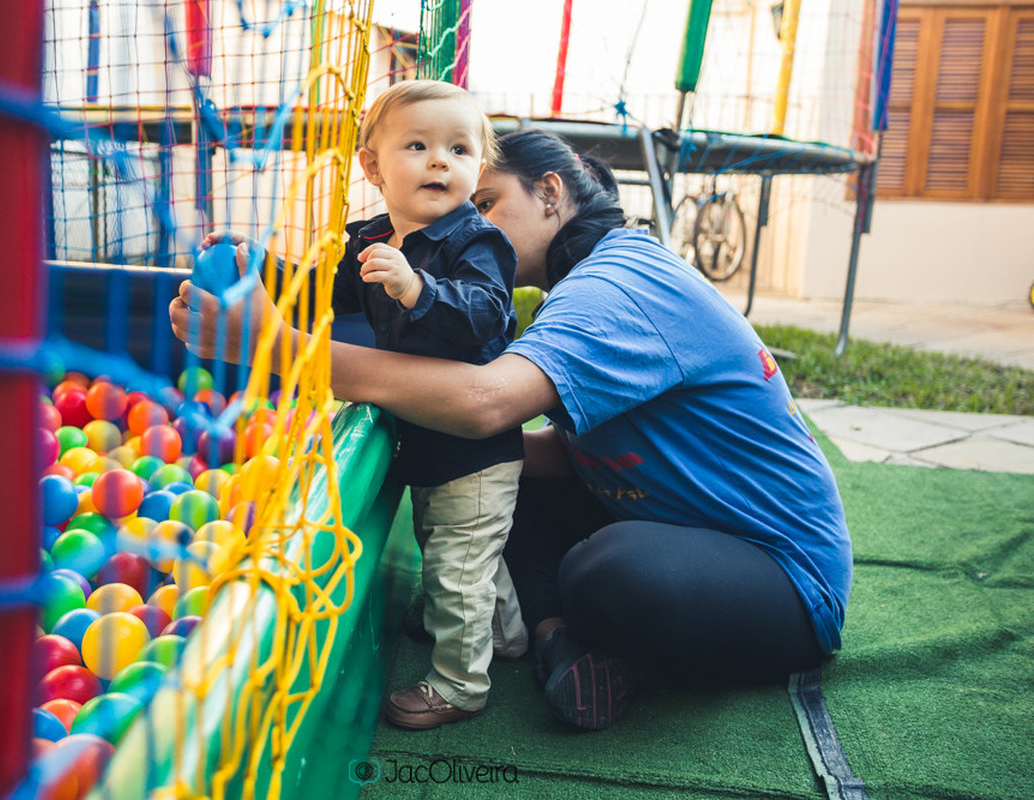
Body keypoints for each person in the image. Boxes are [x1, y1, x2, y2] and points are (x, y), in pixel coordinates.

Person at [170, 129, 853, 732]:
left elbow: (486, 404)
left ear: (550, 193)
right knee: (490, 471)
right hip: (681, 524)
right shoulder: (588, 283)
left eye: (488, 201)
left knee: (607, 570)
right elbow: (564, 452)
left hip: (783, 581)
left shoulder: (617, 286)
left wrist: (276, 347)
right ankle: (559, 642)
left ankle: (578, 631)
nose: (465, 219)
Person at [198, 80, 529, 731]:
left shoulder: (476, 243)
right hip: (428, 436)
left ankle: (461, 683)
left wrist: (418, 289)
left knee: (459, 562)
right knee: (460, 552)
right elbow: (326, 294)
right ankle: (508, 634)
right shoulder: (374, 237)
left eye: (459, 149)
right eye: (419, 145)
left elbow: (488, 315)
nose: (441, 160)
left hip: (473, 446)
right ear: (373, 167)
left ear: (477, 169)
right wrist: (260, 264)